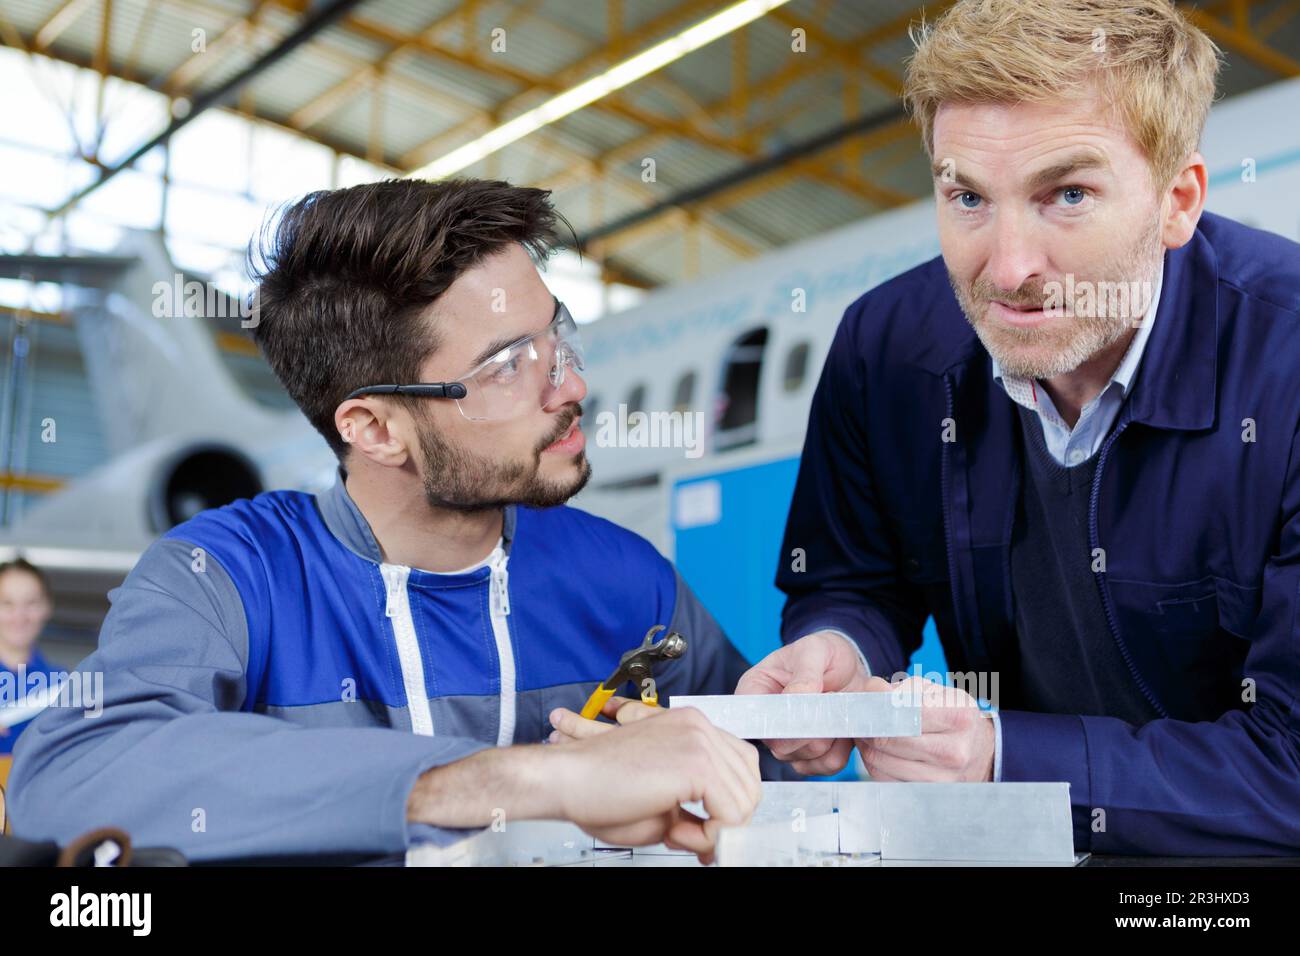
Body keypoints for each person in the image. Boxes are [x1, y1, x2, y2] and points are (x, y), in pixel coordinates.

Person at [9, 179, 766, 863]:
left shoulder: (629, 579)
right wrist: (525, 779)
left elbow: (751, 749)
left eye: (556, 338)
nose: (572, 384)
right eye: (507, 365)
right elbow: (75, 770)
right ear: (374, 430)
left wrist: (818, 722)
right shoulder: (226, 576)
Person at [739, 0, 1300, 855]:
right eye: (967, 195)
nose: (1007, 270)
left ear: (1178, 202)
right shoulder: (885, 351)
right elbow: (857, 577)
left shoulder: (1286, 362)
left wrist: (1005, 758)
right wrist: (840, 652)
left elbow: (1291, 767)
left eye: (1067, 195)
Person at [0, 559, 58, 760]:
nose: (19, 616)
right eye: (7, 603)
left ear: (47, 607)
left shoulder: (65, 687)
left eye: (31, 603)